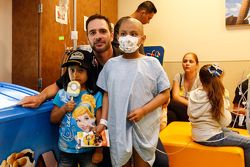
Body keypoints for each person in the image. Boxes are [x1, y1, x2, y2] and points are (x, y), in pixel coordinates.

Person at [19, 14, 169, 167]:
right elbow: (60, 85)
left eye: (102, 31)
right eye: (93, 32)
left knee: (161, 163)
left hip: (139, 124)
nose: (98, 36)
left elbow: (163, 93)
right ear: (88, 37)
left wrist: (147, 109)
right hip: (104, 127)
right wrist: (41, 97)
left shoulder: (131, 58)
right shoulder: (84, 63)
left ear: (112, 35)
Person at [97, 17, 170, 167]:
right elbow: (106, 94)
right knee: (120, 160)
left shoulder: (152, 64)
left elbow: (165, 94)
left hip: (144, 125)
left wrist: (144, 110)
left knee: (142, 161)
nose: (128, 38)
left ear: (142, 39)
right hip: (118, 125)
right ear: (117, 37)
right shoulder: (111, 65)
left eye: (133, 34)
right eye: (123, 34)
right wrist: (103, 121)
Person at [188, 64, 250, 167]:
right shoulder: (216, 97)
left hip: (196, 134)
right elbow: (226, 122)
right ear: (218, 79)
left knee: (235, 132)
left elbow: (190, 114)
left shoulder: (193, 94)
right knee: (248, 143)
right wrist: (225, 101)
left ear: (200, 79)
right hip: (211, 137)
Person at [50, 49, 103, 166]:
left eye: (80, 70)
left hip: (88, 149)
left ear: (88, 72)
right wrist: (64, 109)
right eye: (71, 70)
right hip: (66, 150)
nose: (75, 74)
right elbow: (53, 119)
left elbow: (100, 124)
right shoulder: (61, 94)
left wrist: (99, 151)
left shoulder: (95, 95)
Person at [167, 52, 201, 124]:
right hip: (180, 109)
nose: (187, 63)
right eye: (185, 61)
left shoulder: (201, 79)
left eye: (191, 61)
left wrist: (191, 105)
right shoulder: (178, 76)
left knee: (168, 101)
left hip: (195, 112)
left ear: (197, 65)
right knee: (170, 115)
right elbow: (175, 96)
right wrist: (190, 104)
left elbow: (199, 102)